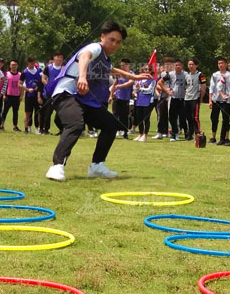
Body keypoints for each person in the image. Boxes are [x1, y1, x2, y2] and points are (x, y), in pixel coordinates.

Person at [45, 21, 151, 182]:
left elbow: (111, 69)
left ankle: (97, 166)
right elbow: (84, 55)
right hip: (67, 94)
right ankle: (57, 166)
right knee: (76, 124)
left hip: (85, 100)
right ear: (102, 37)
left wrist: (134, 76)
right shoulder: (95, 48)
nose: (114, 44)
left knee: (111, 125)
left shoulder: (105, 59)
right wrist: (81, 76)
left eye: (118, 42)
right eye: (111, 39)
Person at [209, 57, 230, 144]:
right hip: (216, 99)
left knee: (226, 119)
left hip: (226, 100)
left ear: (226, 64)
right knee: (214, 118)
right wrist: (210, 100)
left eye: (222, 63)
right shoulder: (215, 75)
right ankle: (213, 136)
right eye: (219, 63)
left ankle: (226, 137)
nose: (220, 65)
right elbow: (211, 87)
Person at [40, 52, 64, 135]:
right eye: (58, 57)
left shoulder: (63, 68)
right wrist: (48, 85)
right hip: (50, 93)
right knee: (48, 112)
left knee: (61, 112)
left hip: (60, 93)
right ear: (54, 58)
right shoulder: (48, 68)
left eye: (61, 57)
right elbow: (43, 79)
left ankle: (62, 129)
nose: (59, 59)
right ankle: (45, 130)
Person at [110, 58, 134, 140]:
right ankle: (114, 130)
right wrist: (111, 95)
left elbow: (130, 82)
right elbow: (114, 84)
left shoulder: (131, 74)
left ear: (128, 65)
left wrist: (120, 86)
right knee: (115, 114)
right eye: (121, 66)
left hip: (125, 98)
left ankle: (124, 132)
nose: (122, 67)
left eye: (123, 65)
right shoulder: (119, 74)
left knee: (124, 115)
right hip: (117, 97)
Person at [184, 58, 206, 141]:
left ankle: (197, 134)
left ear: (196, 65)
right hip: (187, 98)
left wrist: (201, 97)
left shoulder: (200, 75)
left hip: (195, 98)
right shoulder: (187, 75)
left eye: (192, 64)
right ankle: (190, 134)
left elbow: (203, 86)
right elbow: (186, 86)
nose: (191, 66)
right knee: (188, 117)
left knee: (195, 117)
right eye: (189, 64)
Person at [133, 64, 156, 142]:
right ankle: (140, 134)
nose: (147, 71)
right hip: (139, 100)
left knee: (146, 119)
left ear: (151, 71)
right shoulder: (139, 80)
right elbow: (135, 89)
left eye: (148, 69)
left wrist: (140, 88)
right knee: (139, 119)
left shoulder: (152, 81)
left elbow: (149, 90)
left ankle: (145, 135)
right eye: (145, 69)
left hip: (148, 101)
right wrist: (136, 89)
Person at [21, 56, 43, 134]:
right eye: (30, 63)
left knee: (38, 112)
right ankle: (27, 128)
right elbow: (19, 84)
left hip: (37, 95)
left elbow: (42, 80)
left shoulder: (39, 70)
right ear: (28, 63)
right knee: (28, 112)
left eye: (33, 63)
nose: (32, 64)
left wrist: (38, 86)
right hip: (29, 95)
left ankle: (37, 128)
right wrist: (27, 89)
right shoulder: (24, 72)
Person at [153, 58, 173, 139]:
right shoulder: (162, 74)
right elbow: (157, 84)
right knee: (161, 115)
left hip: (172, 96)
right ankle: (160, 132)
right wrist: (164, 89)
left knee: (171, 116)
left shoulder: (174, 74)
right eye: (166, 64)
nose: (167, 66)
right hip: (162, 96)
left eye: (169, 64)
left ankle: (171, 132)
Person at [1, 60, 22, 131]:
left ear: (17, 66)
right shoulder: (6, 74)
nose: (14, 66)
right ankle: (2, 125)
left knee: (15, 112)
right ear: (10, 66)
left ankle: (15, 126)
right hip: (8, 96)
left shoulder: (20, 75)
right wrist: (3, 94)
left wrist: (21, 95)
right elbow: (4, 85)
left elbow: (21, 86)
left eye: (15, 65)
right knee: (5, 111)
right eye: (12, 65)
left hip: (16, 96)